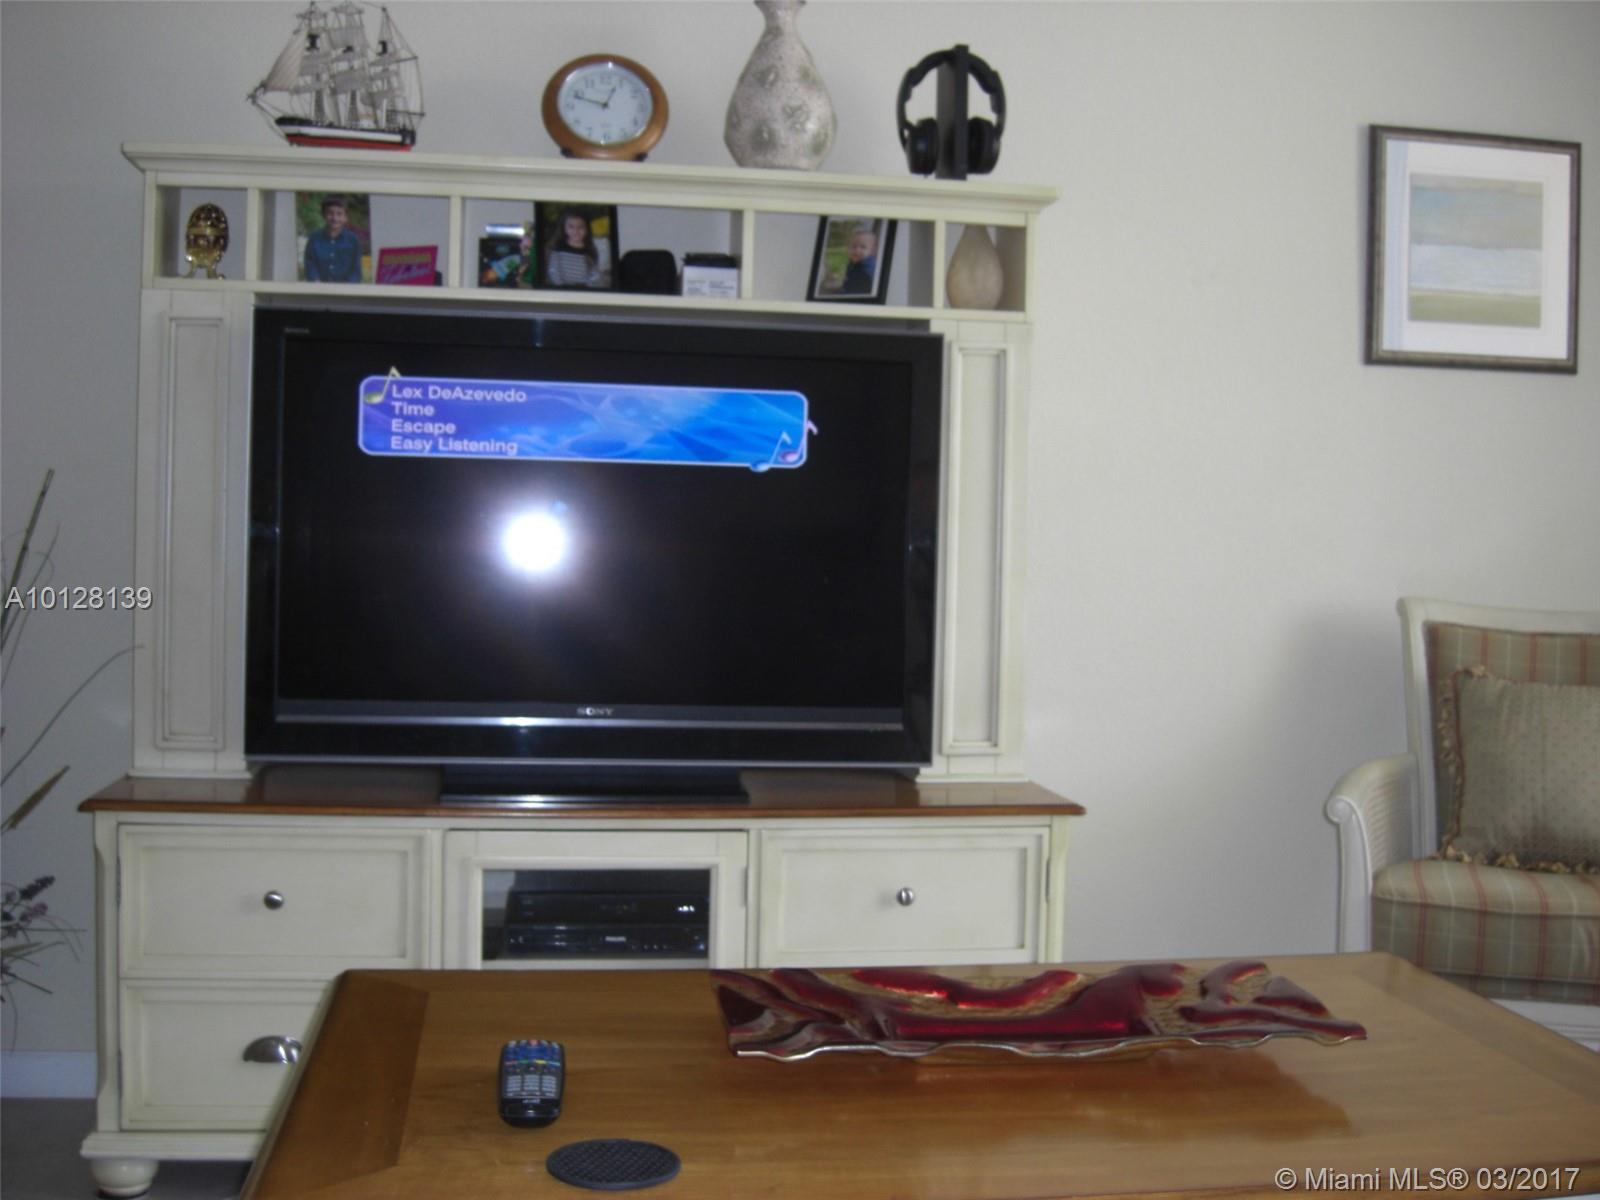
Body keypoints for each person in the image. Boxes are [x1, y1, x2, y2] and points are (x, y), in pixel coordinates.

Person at [303, 195, 363, 283]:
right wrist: (316, 284)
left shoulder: (353, 241)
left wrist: (347, 288)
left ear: (345, 217)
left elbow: (356, 270)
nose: (335, 218)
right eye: (330, 213)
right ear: (323, 215)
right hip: (319, 287)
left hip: (345, 289)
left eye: (339, 214)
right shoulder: (314, 239)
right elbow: (310, 265)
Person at [545, 209, 604, 288]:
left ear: (587, 229)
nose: (576, 231)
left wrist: (589, 287)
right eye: (571, 227)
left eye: (581, 227)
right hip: (562, 288)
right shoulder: (558, 247)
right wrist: (561, 287)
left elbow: (594, 273)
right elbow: (553, 270)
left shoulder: (590, 249)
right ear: (564, 228)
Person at [838, 225, 878, 294]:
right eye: (853, 246)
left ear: (872, 251)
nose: (857, 250)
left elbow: (856, 294)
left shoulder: (866, 272)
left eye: (863, 247)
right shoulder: (855, 263)